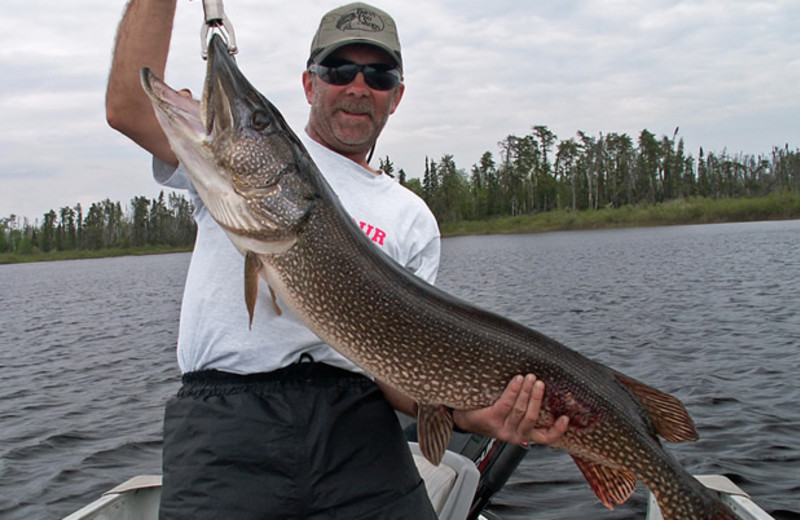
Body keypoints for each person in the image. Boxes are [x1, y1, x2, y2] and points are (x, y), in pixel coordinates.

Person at [106, 2, 569, 518]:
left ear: (395, 96)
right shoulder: (219, 166)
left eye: (378, 74)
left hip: (357, 428)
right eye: (339, 69)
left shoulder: (410, 216)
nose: (357, 86)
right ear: (309, 85)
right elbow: (127, 105)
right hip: (227, 426)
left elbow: (400, 368)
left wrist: (466, 415)